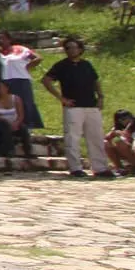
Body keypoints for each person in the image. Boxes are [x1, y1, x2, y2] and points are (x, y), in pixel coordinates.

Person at [40, 37, 111, 179]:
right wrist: (61, 98)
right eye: (68, 48)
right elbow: (46, 80)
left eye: (74, 47)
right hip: (73, 106)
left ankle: (100, 167)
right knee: (73, 138)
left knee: (96, 137)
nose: (71, 50)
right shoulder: (61, 66)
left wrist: (101, 97)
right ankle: (75, 168)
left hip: (91, 105)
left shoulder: (87, 65)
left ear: (80, 49)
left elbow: (95, 80)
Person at [0, 31, 43, 148]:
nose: (0, 41)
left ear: (9, 39)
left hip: (21, 78)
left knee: (26, 102)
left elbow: (38, 58)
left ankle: (28, 126)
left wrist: (28, 67)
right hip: (7, 80)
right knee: (12, 102)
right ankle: (11, 125)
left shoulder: (19, 49)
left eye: (3, 38)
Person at [105, 111, 135, 176]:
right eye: (123, 119)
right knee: (105, 143)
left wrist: (129, 138)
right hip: (126, 153)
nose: (128, 120)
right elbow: (106, 138)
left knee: (120, 143)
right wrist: (113, 133)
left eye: (130, 118)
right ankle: (120, 168)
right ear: (118, 121)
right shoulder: (118, 128)